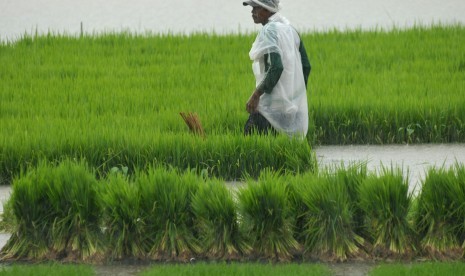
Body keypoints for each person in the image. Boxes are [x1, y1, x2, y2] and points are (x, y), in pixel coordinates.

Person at [242, 0, 311, 139]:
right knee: (283, 151)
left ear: (267, 9)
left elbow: (276, 67)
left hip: (270, 108)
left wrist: (256, 95)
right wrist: (294, 98)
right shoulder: (291, 30)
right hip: (290, 108)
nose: (252, 12)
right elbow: (306, 66)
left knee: (250, 144)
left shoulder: (269, 31)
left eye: (256, 8)